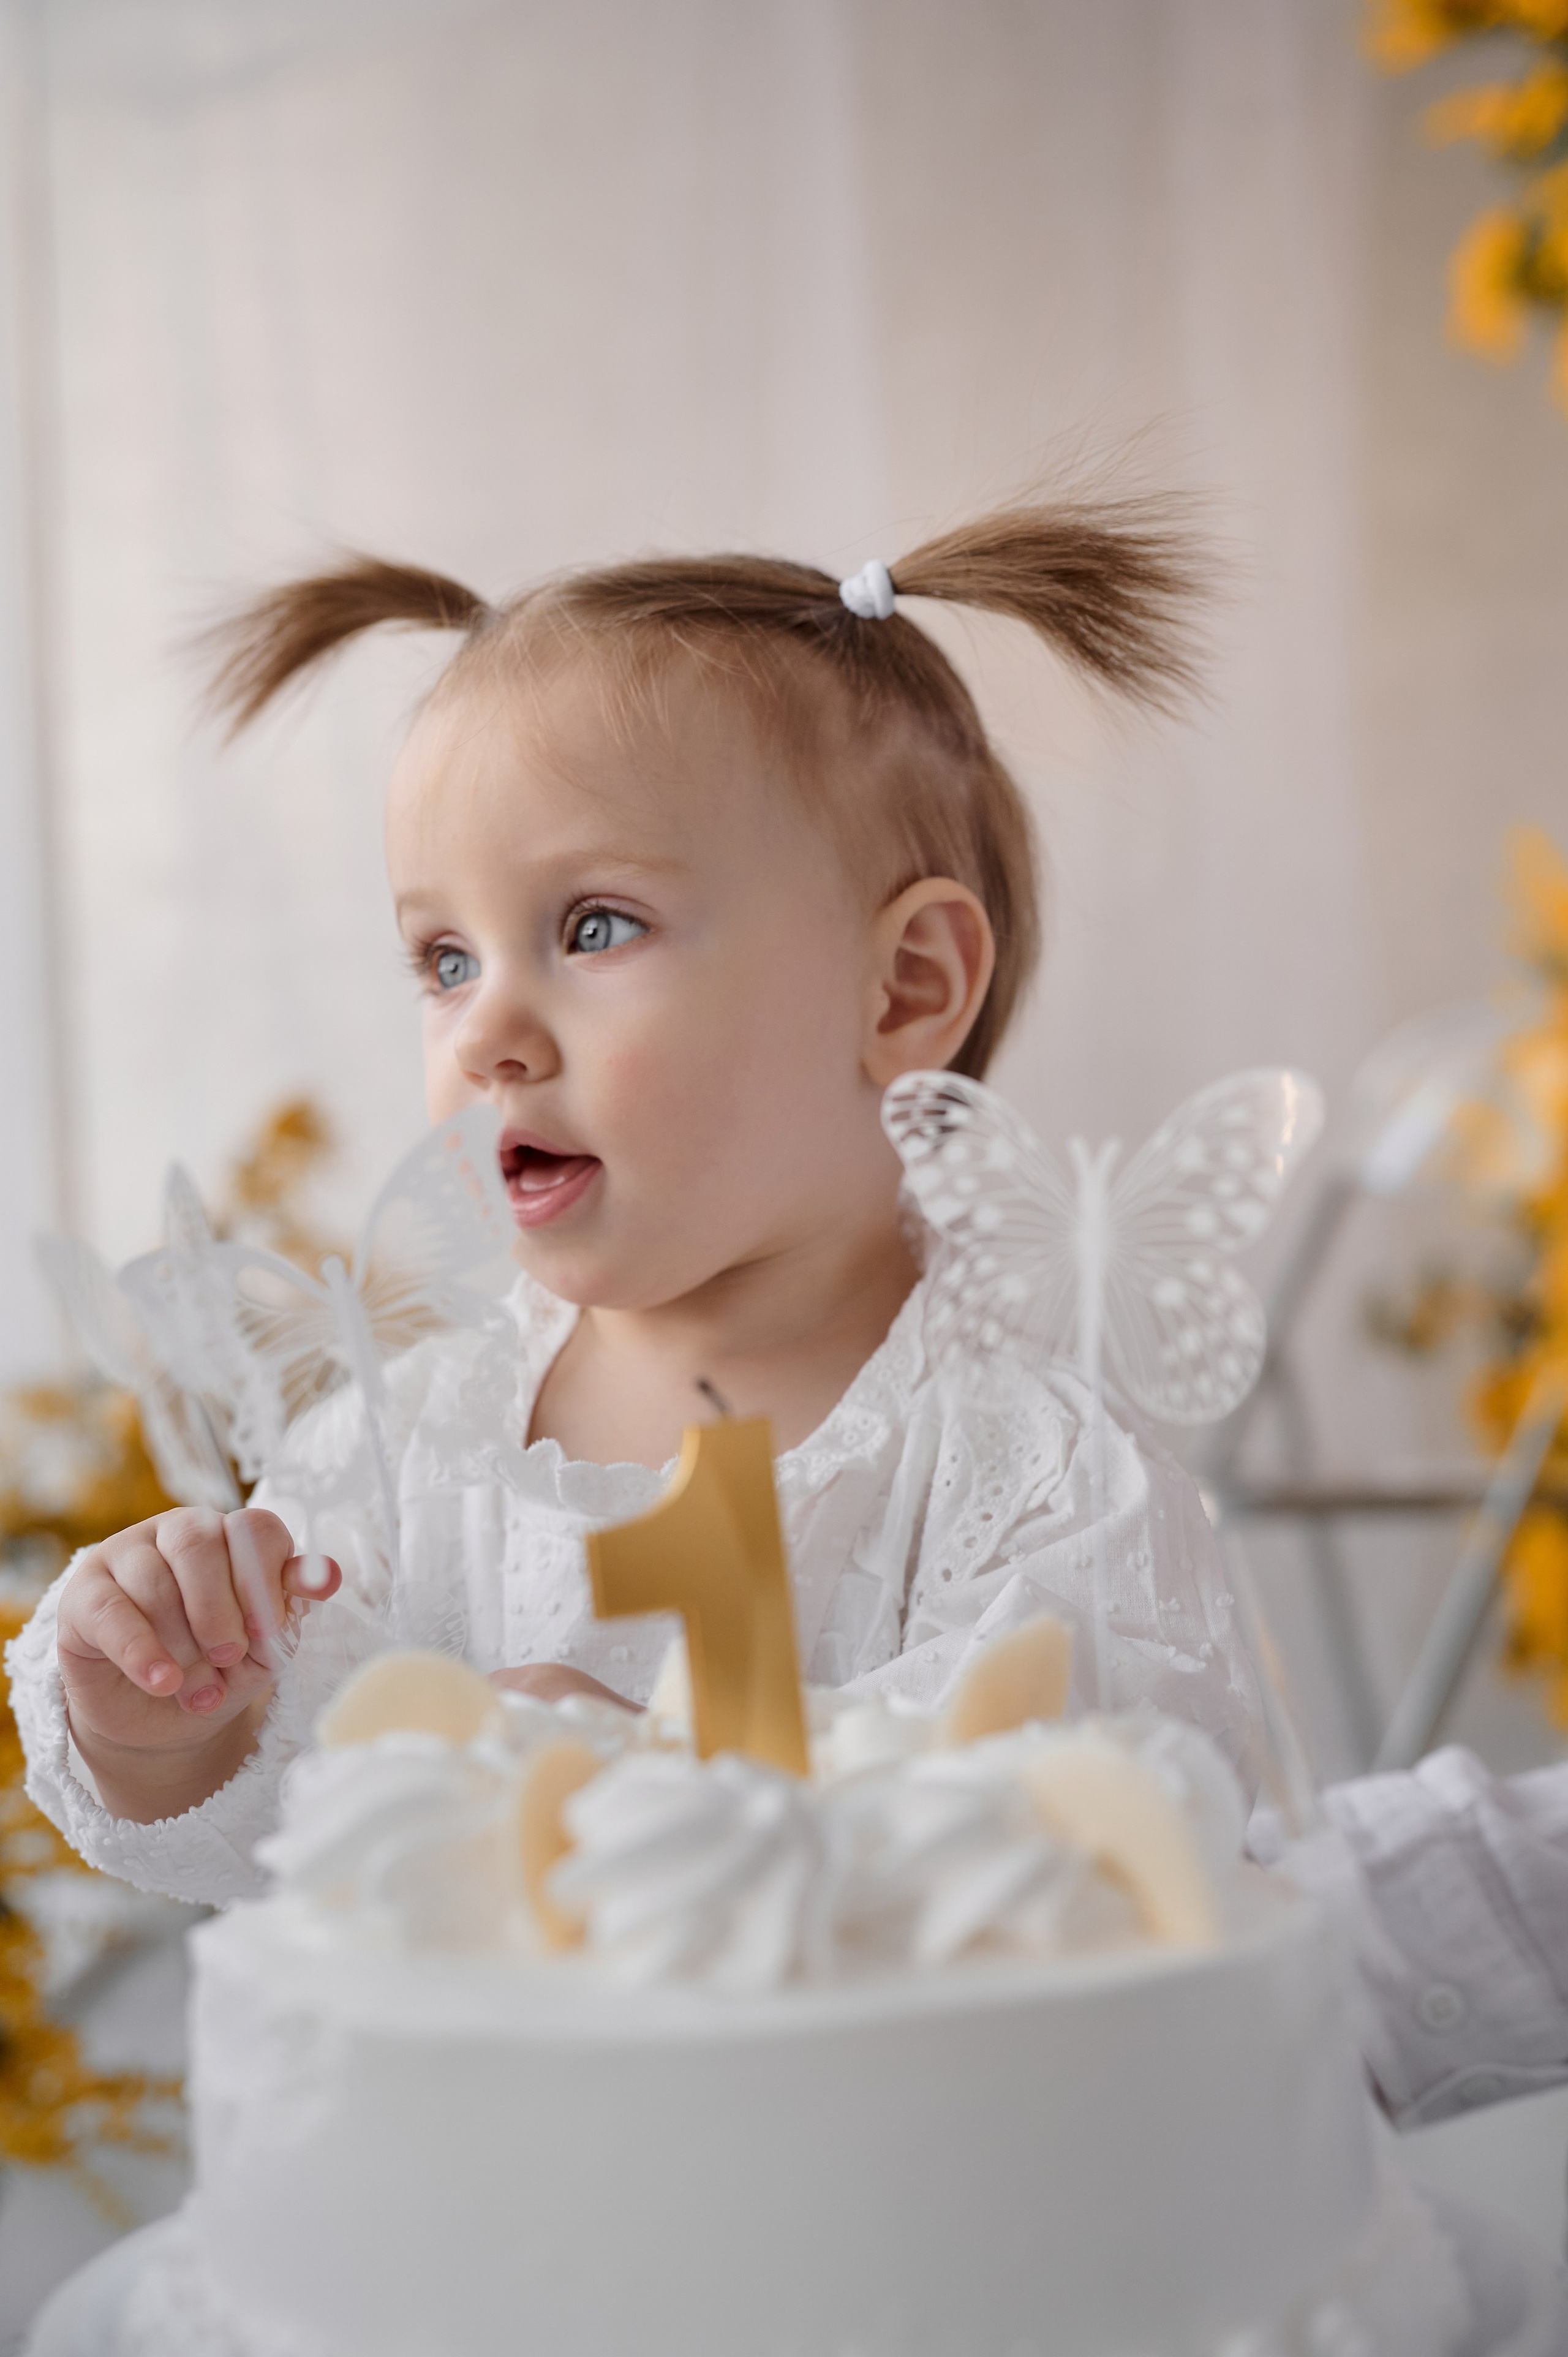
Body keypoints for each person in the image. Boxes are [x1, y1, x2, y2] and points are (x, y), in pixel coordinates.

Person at [7, 500, 1256, 1909]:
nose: (484, 1034)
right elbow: (266, 1820)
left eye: (594, 927)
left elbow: (1091, 1869)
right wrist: (168, 1715)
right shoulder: (403, 1452)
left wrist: (667, 1787)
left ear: (900, 986)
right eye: (443, 959)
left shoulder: (1029, 1479)